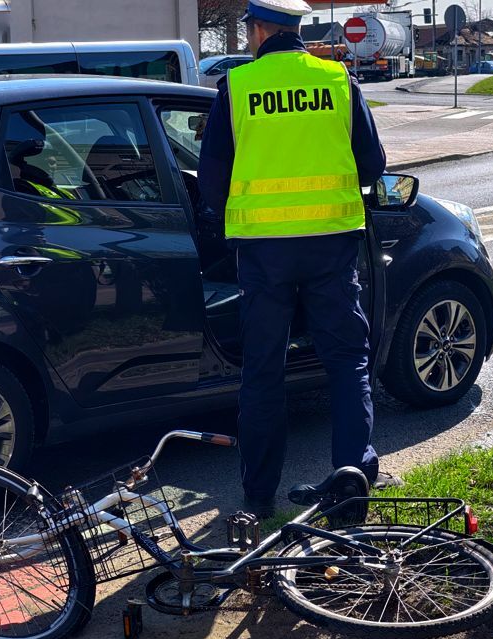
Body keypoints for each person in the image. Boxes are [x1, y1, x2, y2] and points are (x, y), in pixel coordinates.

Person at [197, 0, 392, 518]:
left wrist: (227, 223)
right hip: (331, 245)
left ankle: (259, 498)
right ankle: (351, 488)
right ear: (295, 29)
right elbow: (373, 164)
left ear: (259, 29)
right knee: (348, 364)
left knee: (263, 372)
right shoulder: (337, 82)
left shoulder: (238, 88)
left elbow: (212, 180)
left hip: (263, 253)